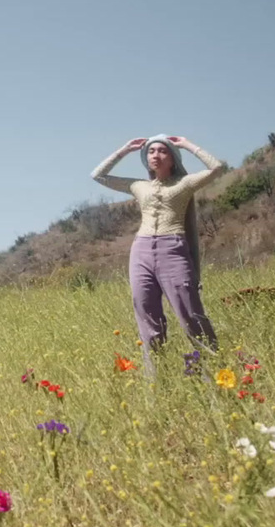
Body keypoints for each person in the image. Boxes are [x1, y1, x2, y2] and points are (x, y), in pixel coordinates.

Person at [91, 134, 226, 368]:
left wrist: (187, 145)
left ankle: (213, 369)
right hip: (141, 251)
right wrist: (124, 150)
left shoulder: (183, 184)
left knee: (190, 314)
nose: (156, 155)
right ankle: (157, 380)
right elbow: (98, 175)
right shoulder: (138, 186)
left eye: (163, 151)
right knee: (146, 314)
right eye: (151, 151)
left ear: (173, 158)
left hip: (172, 249)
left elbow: (217, 168)